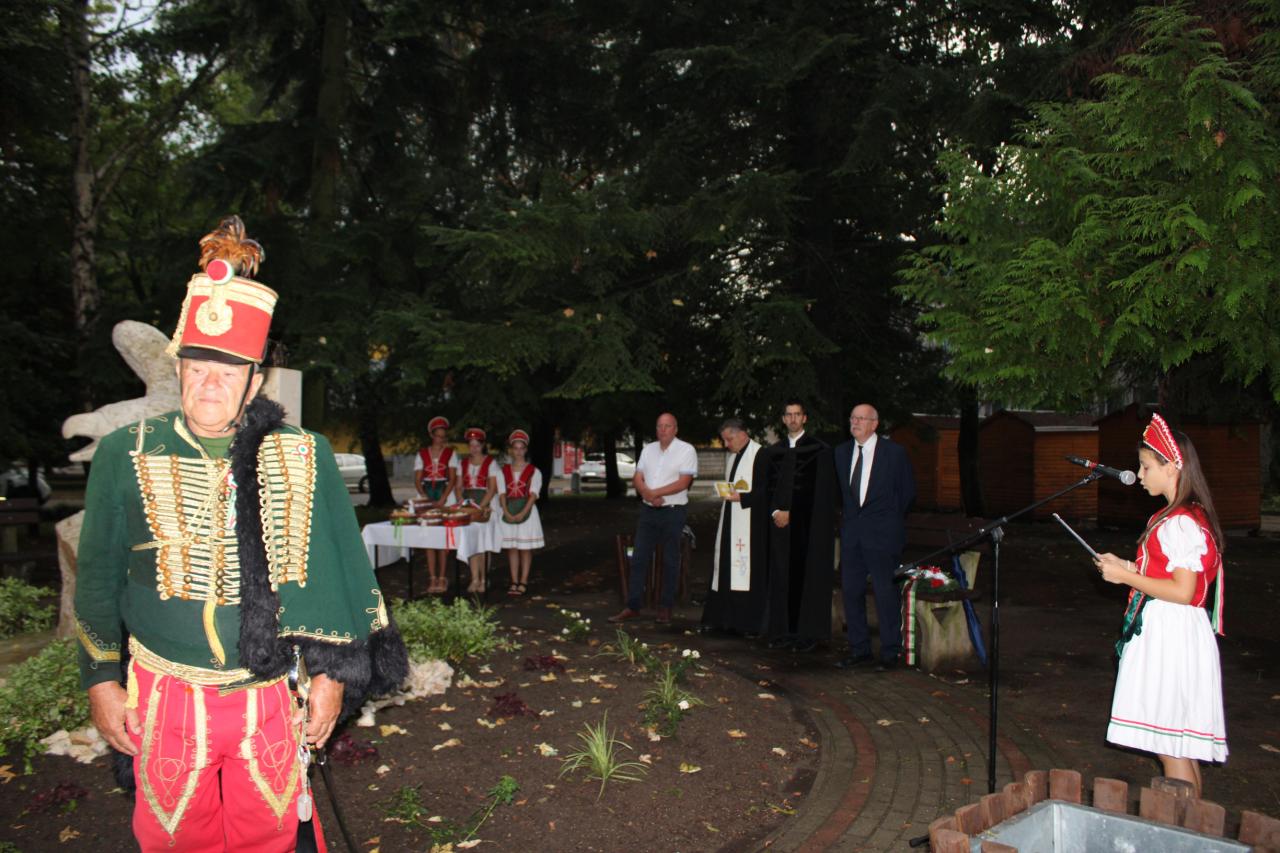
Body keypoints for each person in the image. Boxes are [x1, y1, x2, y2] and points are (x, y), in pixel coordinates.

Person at [74, 216, 408, 852]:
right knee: (174, 839)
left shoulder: (300, 454)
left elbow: (334, 573)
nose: (210, 383)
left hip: (270, 697)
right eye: (198, 366)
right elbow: (96, 579)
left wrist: (331, 677)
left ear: (255, 381)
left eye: (229, 372)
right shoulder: (124, 453)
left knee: (271, 837)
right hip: (163, 694)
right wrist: (101, 681)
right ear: (179, 369)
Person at [1094, 413, 1227, 795]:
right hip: (1178, 629)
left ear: (1172, 467)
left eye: (1146, 466)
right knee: (1176, 747)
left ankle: (1182, 824)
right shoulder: (1182, 515)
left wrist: (1127, 578)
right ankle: (1192, 823)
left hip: (1173, 634)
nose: (1139, 474)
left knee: (1171, 746)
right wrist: (1128, 566)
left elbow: (1183, 591)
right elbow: (1171, 576)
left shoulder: (1180, 522)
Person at [834, 403, 916, 671]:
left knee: (885, 594)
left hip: (883, 537)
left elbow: (907, 493)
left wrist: (888, 523)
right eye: (852, 417)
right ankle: (859, 649)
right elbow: (843, 495)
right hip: (852, 537)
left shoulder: (894, 453)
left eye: (861, 418)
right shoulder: (841, 452)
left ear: (874, 424)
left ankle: (890, 652)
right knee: (851, 592)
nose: (855, 422)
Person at [759, 400, 836, 652]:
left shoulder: (820, 451)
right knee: (780, 576)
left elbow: (822, 495)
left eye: (797, 414)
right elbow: (765, 489)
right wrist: (775, 512)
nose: (792, 419)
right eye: (788, 415)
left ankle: (806, 634)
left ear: (804, 418)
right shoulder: (773, 452)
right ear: (783, 419)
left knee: (805, 578)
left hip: (807, 529)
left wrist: (793, 513)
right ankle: (781, 632)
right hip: (778, 527)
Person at [609, 413, 698, 624]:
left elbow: (684, 482)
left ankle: (666, 606)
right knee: (639, 557)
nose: (663, 430)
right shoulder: (648, 450)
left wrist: (654, 493)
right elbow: (637, 477)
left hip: (673, 511)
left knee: (670, 559)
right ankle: (633, 606)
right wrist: (648, 495)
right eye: (659, 426)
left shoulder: (686, 450)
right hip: (648, 512)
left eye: (667, 426)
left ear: (675, 429)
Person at [700, 418, 767, 635]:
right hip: (730, 519)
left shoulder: (761, 455)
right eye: (724, 440)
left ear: (742, 434)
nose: (726, 444)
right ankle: (723, 620)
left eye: (729, 439)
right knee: (725, 567)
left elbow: (767, 490)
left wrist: (743, 498)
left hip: (751, 524)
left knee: (745, 572)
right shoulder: (732, 457)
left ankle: (746, 624)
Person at [496, 429, 544, 596]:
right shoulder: (503, 471)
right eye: (515, 448)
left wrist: (524, 512)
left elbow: (533, 494)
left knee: (525, 548)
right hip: (509, 509)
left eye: (521, 448)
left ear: (525, 450)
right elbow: (502, 493)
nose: (518, 452)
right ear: (511, 450)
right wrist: (506, 511)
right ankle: (514, 581)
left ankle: (523, 581)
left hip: (527, 510)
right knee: (512, 547)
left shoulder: (534, 471)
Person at [416, 415, 459, 594]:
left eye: (443, 436)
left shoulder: (451, 454)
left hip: (445, 496)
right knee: (429, 540)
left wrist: (443, 499)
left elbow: (452, 478)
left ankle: (442, 577)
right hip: (427, 495)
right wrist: (426, 499)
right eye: (438, 436)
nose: (440, 440)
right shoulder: (422, 454)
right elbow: (417, 480)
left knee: (442, 539)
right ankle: (432, 577)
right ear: (431, 435)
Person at [458, 427, 498, 594]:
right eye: (471, 445)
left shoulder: (491, 463)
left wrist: (481, 507)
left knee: (483, 544)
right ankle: (474, 578)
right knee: (472, 542)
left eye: (477, 445)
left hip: (484, 504)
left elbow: (492, 488)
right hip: (468, 504)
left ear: (482, 446)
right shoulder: (462, 463)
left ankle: (484, 578)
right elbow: (459, 486)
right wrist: (462, 503)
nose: (474, 448)